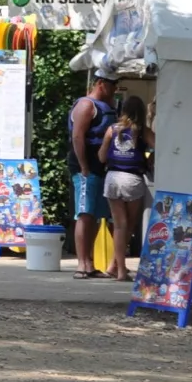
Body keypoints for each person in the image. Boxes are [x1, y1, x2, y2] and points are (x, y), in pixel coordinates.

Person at [68, 69, 118, 279]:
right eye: (112, 84)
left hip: (101, 167)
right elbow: (77, 136)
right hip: (85, 167)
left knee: (97, 216)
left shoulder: (108, 106)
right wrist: (84, 166)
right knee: (85, 213)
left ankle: (90, 262)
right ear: (100, 83)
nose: (115, 89)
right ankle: (81, 264)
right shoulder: (86, 105)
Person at [100, 94, 152, 281]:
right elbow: (161, 148)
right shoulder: (142, 131)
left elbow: (101, 157)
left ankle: (115, 266)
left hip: (112, 177)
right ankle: (121, 270)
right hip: (133, 179)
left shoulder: (112, 129)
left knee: (120, 226)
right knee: (128, 225)